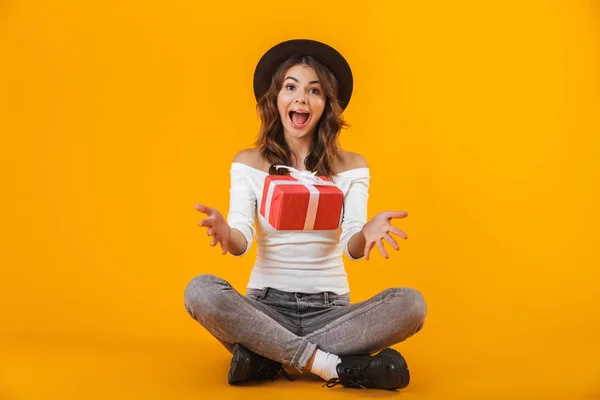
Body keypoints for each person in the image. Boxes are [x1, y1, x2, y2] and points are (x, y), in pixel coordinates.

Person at [184, 39, 427, 391]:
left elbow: (353, 247)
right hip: (265, 308)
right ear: (276, 99)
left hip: (333, 312)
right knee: (201, 290)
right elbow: (240, 242)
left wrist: (367, 231)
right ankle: (332, 365)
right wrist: (226, 232)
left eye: (314, 90)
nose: (301, 98)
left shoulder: (352, 166)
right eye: (290, 87)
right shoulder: (249, 162)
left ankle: (268, 359)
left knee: (411, 304)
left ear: (326, 103)